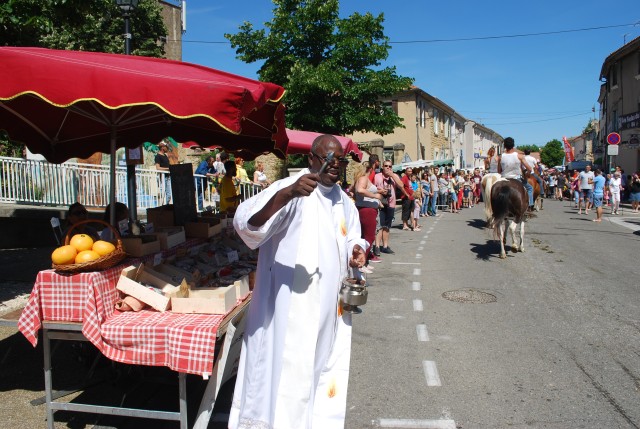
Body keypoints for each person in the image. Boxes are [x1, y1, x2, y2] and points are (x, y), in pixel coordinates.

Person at [230, 135, 366, 429]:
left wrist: (358, 251)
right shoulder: (292, 189)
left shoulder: (344, 201)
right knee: (287, 383)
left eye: (340, 160)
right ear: (311, 160)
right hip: (290, 312)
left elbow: (354, 236)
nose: (335, 165)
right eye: (328, 159)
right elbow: (246, 224)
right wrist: (287, 194)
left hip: (329, 313)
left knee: (320, 375)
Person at [353, 161, 383, 270]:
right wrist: (375, 196)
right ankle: (361, 263)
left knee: (364, 237)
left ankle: (363, 262)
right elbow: (360, 190)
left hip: (365, 209)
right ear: (370, 169)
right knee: (368, 237)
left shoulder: (360, 179)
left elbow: (352, 191)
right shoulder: (363, 178)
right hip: (367, 211)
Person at [373, 160, 407, 255]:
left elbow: (401, 186)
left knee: (387, 226)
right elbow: (372, 189)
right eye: (386, 166)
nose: (388, 168)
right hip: (380, 204)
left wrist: (392, 175)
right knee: (379, 227)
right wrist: (380, 191)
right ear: (382, 167)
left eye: (390, 166)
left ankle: (385, 246)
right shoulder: (377, 176)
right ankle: (376, 246)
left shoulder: (394, 176)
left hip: (391, 204)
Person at [497, 137, 534, 210]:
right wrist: (527, 174)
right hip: (516, 178)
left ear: (504, 146)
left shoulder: (500, 157)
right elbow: (529, 168)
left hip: (504, 178)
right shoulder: (519, 156)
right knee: (530, 188)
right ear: (513, 145)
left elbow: (498, 171)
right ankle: (529, 205)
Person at [154, 139, 173, 204]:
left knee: (169, 194)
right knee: (166, 194)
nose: (167, 148)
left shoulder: (165, 155)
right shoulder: (157, 156)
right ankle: (164, 206)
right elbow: (158, 168)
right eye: (166, 147)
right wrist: (168, 169)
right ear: (162, 147)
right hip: (163, 177)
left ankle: (165, 206)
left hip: (168, 177)